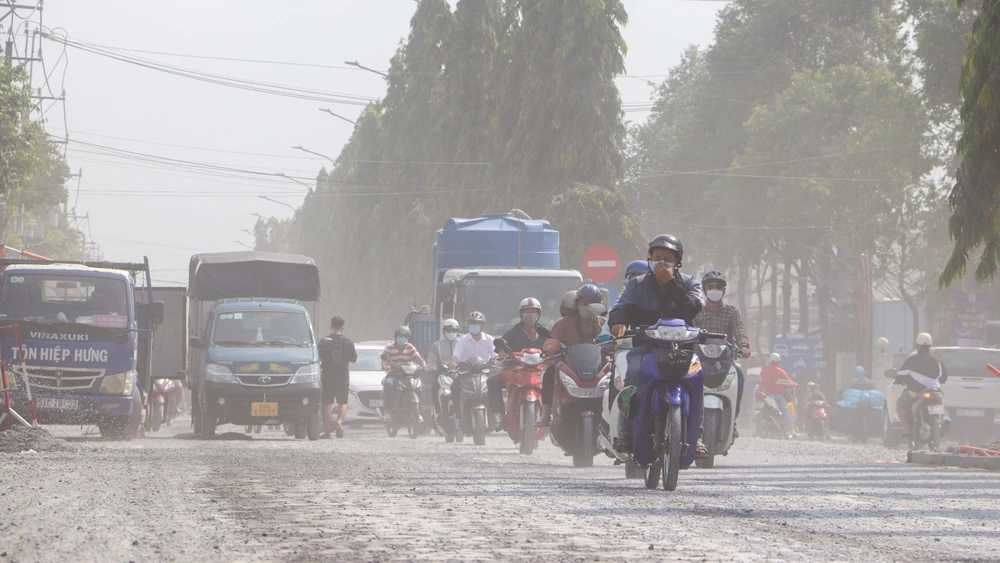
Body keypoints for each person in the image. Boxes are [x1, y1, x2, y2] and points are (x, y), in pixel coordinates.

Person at [608, 234, 705, 453]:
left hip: (682, 350)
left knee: (698, 380)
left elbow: (692, 309)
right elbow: (620, 308)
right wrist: (618, 322)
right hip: (645, 348)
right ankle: (627, 432)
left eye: (667, 259)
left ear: (677, 262)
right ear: (649, 259)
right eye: (657, 257)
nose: (661, 262)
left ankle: (696, 437)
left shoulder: (690, 283)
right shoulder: (636, 284)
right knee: (632, 375)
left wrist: (670, 284)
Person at [692, 270, 751, 437]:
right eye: (710, 286)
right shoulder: (696, 312)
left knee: (738, 376)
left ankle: (732, 421)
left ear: (724, 290)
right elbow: (689, 330)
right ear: (704, 289)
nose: (714, 289)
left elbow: (739, 330)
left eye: (718, 286)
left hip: (724, 361)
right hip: (699, 361)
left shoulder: (731, 312)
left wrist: (744, 346)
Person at [537, 284, 607, 426]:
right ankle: (545, 415)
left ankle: (616, 417)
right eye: (583, 303)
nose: (586, 307)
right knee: (550, 372)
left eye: (590, 304)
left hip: (597, 367)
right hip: (570, 367)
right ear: (577, 304)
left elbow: (614, 339)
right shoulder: (564, 323)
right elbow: (552, 340)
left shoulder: (604, 324)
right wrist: (550, 347)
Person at [489, 298, 551, 431]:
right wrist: (501, 354)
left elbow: (552, 346)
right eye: (527, 311)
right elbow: (501, 347)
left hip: (540, 371)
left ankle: (553, 415)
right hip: (516, 370)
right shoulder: (513, 332)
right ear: (521, 314)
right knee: (492, 382)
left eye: (533, 311)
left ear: (538, 314)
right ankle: (501, 416)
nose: (530, 314)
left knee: (559, 381)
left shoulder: (544, 333)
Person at [895, 333, 948, 437]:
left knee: (899, 405)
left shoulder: (912, 360)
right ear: (930, 345)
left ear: (917, 345)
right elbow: (944, 377)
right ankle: (941, 421)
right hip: (935, 390)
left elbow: (900, 375)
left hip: (916, 392)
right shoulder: (938, 360)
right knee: (941, 403)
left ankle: (907, 429)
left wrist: (898, 381)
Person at [317, 316, 357, 439]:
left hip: (327, 376)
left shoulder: (323, 341)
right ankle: (339, 422)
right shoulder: (348, 342)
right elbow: (353, 359)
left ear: (331, 327)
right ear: (343, 328)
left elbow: (320, 359)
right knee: (343, 402)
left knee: (327, 404)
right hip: (343, 376)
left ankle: (328, 433)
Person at [381, 326, 427, 424]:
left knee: (421, 386)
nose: (403, 338)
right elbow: (384, 361)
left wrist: (423, 364)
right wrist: (387, 367)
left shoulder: (410, 347)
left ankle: (419, 412)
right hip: (394, 375)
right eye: (400, 336)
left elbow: (418, 358)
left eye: (405, 336)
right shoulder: (389, 347)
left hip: (409, 375)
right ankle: (387, 412)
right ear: (396, 337)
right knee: (388, 384)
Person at [427, 319, 461, 418]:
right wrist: (432, 367)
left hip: (460, 374)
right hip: (443, 375)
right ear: (444, 331)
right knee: (435, 389)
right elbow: (431, 360)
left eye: (454, 331)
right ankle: (438, 413)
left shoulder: (462, 344)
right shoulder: (436, 345)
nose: (451, 333)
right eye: (449, 331)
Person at [759, 353, 797, 435]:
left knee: (760, 409)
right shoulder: (780, 371)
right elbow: (788, 383)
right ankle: (792, 430)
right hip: (777, 395)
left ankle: (756, 430)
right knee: (785, 410)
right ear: (778, 361)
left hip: (766, 395)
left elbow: (760, 381)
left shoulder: (764, 370)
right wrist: (794, 384)